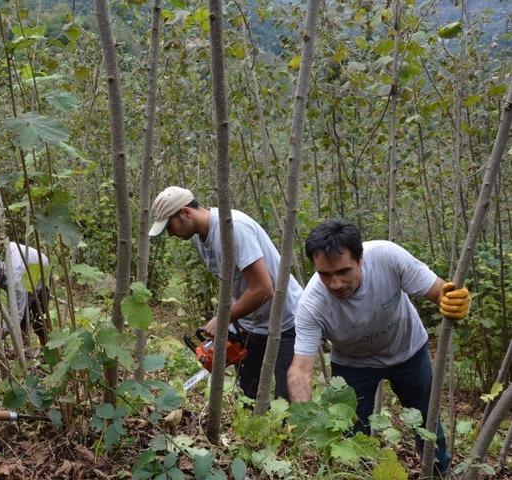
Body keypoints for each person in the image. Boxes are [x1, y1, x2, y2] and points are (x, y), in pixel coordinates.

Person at [287, 219, 471, 475]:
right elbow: (300, 371)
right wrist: (302, 418)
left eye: (343, 271)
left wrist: (455, 301)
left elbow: (439, 290)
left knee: (427, 420)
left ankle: (439, 472)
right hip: (353, 364)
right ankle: (358, 474)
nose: (335, 284)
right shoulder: (311, 304)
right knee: (351, 430)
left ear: (361, 259)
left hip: (408, 351)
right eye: (325, 274)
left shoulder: (388, 257)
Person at [148, 186, 302, 400]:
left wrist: (223, 319)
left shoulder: (232, 228)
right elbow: (232, 281)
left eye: (170, 226)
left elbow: (264, 288)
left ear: (186, 212)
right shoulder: (199, 237)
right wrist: (231, 325)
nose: (171, 233)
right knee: (249, 396)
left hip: (285, 320)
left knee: (287, 398)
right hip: (250, 323)